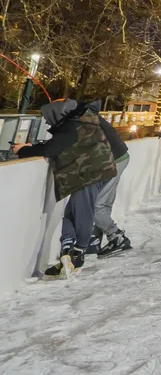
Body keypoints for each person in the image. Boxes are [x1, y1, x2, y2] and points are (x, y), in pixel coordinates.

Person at [11, 99, 116, 277]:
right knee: (70, 212)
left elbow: (51, 149)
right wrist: (32, 146)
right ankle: (67, 250)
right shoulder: (77, 123)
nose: (46, 122)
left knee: (83, 211)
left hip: (91, 174)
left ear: (56, 115)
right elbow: (58, 144)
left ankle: (79, 252)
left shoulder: (72, 126)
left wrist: (22, 151)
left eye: (47, 118)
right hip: (89, 172)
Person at [86, 100, 134, 257]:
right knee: (104, 203)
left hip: (115, 160)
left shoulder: (90, 120)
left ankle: (116, 237)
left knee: (96, 206)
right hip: (120, 158)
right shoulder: (95, 118)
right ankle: (96, 239)